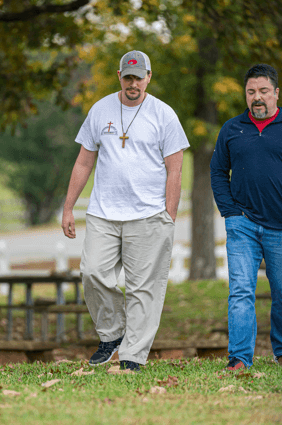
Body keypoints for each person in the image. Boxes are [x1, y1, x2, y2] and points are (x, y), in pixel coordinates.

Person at [61, 50, 189, 372]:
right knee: (92, 273)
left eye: (139, 77)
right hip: (103, 212)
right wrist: (68, 207)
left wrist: (168, 216)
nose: (133, 83)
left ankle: (133, 356)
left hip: (148, 215)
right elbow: (84, 161)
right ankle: (113, 334)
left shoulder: (164, 115)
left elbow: (175, 170)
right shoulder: (100, 109)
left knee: (143, 287)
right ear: (119, 76)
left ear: (149, 77)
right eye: (128, 77)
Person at [210, 64, 282, 370]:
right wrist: (230, 213)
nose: (256, 98)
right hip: (242, 224)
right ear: (245, 95)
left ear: (275, 93)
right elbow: (218, 172)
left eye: (262, 91)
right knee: (241, 292)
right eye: (250, 92)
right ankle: (240, 358)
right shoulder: (232, 129)